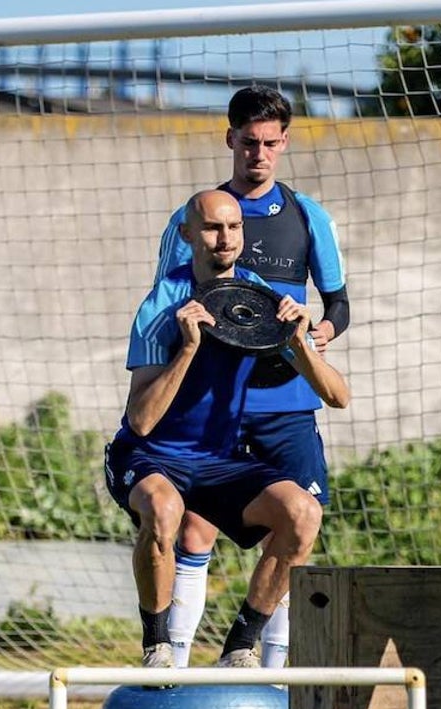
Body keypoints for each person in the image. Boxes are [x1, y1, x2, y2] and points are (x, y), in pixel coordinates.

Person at [106, 189, 350, 669]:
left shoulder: (259, 300)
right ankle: (157, 650)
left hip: (218, 459)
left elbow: (339, 397)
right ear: (188, 235)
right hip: (148, 456)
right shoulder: (162, 306)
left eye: (234, 228)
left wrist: (298, 341)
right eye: (213, 228)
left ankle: (240, 647)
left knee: (302, 513)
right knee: (164, 506)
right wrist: (189, 347)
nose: (226, 239)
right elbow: (141, 420)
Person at [153, 85, 349, 668]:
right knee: (193, 531)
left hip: (287, 405)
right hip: (215, 405)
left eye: (269, 143)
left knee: (294, 533)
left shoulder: (308, 217)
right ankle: (175, 670)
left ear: (284, 143)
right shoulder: (193, 218)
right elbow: (167, 301)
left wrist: (318, 334)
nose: (258, 154)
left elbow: (338, 305)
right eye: (247, 142)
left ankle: (271, 670)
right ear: (229, 139)